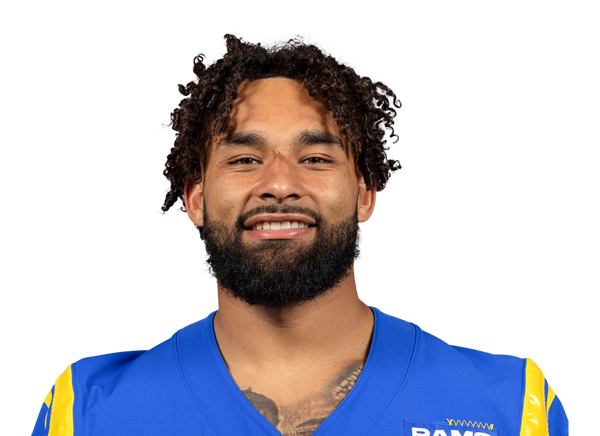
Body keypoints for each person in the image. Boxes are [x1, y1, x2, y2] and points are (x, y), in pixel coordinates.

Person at [31, 32, 568, 436]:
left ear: (365, 194)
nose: (280, 184)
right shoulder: (86, 411)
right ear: (195, 198)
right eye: (244, 159)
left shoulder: (515, 407)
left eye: (315, 158)